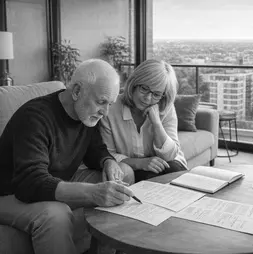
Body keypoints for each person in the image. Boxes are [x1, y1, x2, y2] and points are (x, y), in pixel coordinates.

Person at [0, 59, 135, 254]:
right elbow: (30, 182)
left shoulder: (86, 114)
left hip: (55, 179)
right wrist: (92, 192)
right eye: (101, 102)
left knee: (124, 174)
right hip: (10, 191)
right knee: (56, 214)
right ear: (77, 91)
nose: (105, 113)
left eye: (110, 104)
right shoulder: (34, 117)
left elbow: (95, 149)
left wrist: (108, 161)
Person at [100, 59, 188, 183]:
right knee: (148, 179)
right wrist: (140, 163)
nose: (147, 98)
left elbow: (170, 155)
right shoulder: (111, 108)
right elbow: (108, 154)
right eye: (144, 88)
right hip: (135, 169)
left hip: (170, 166)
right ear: (134, 83)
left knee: (176, 174)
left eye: (156, 94)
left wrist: (156, 123)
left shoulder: (166, 108)